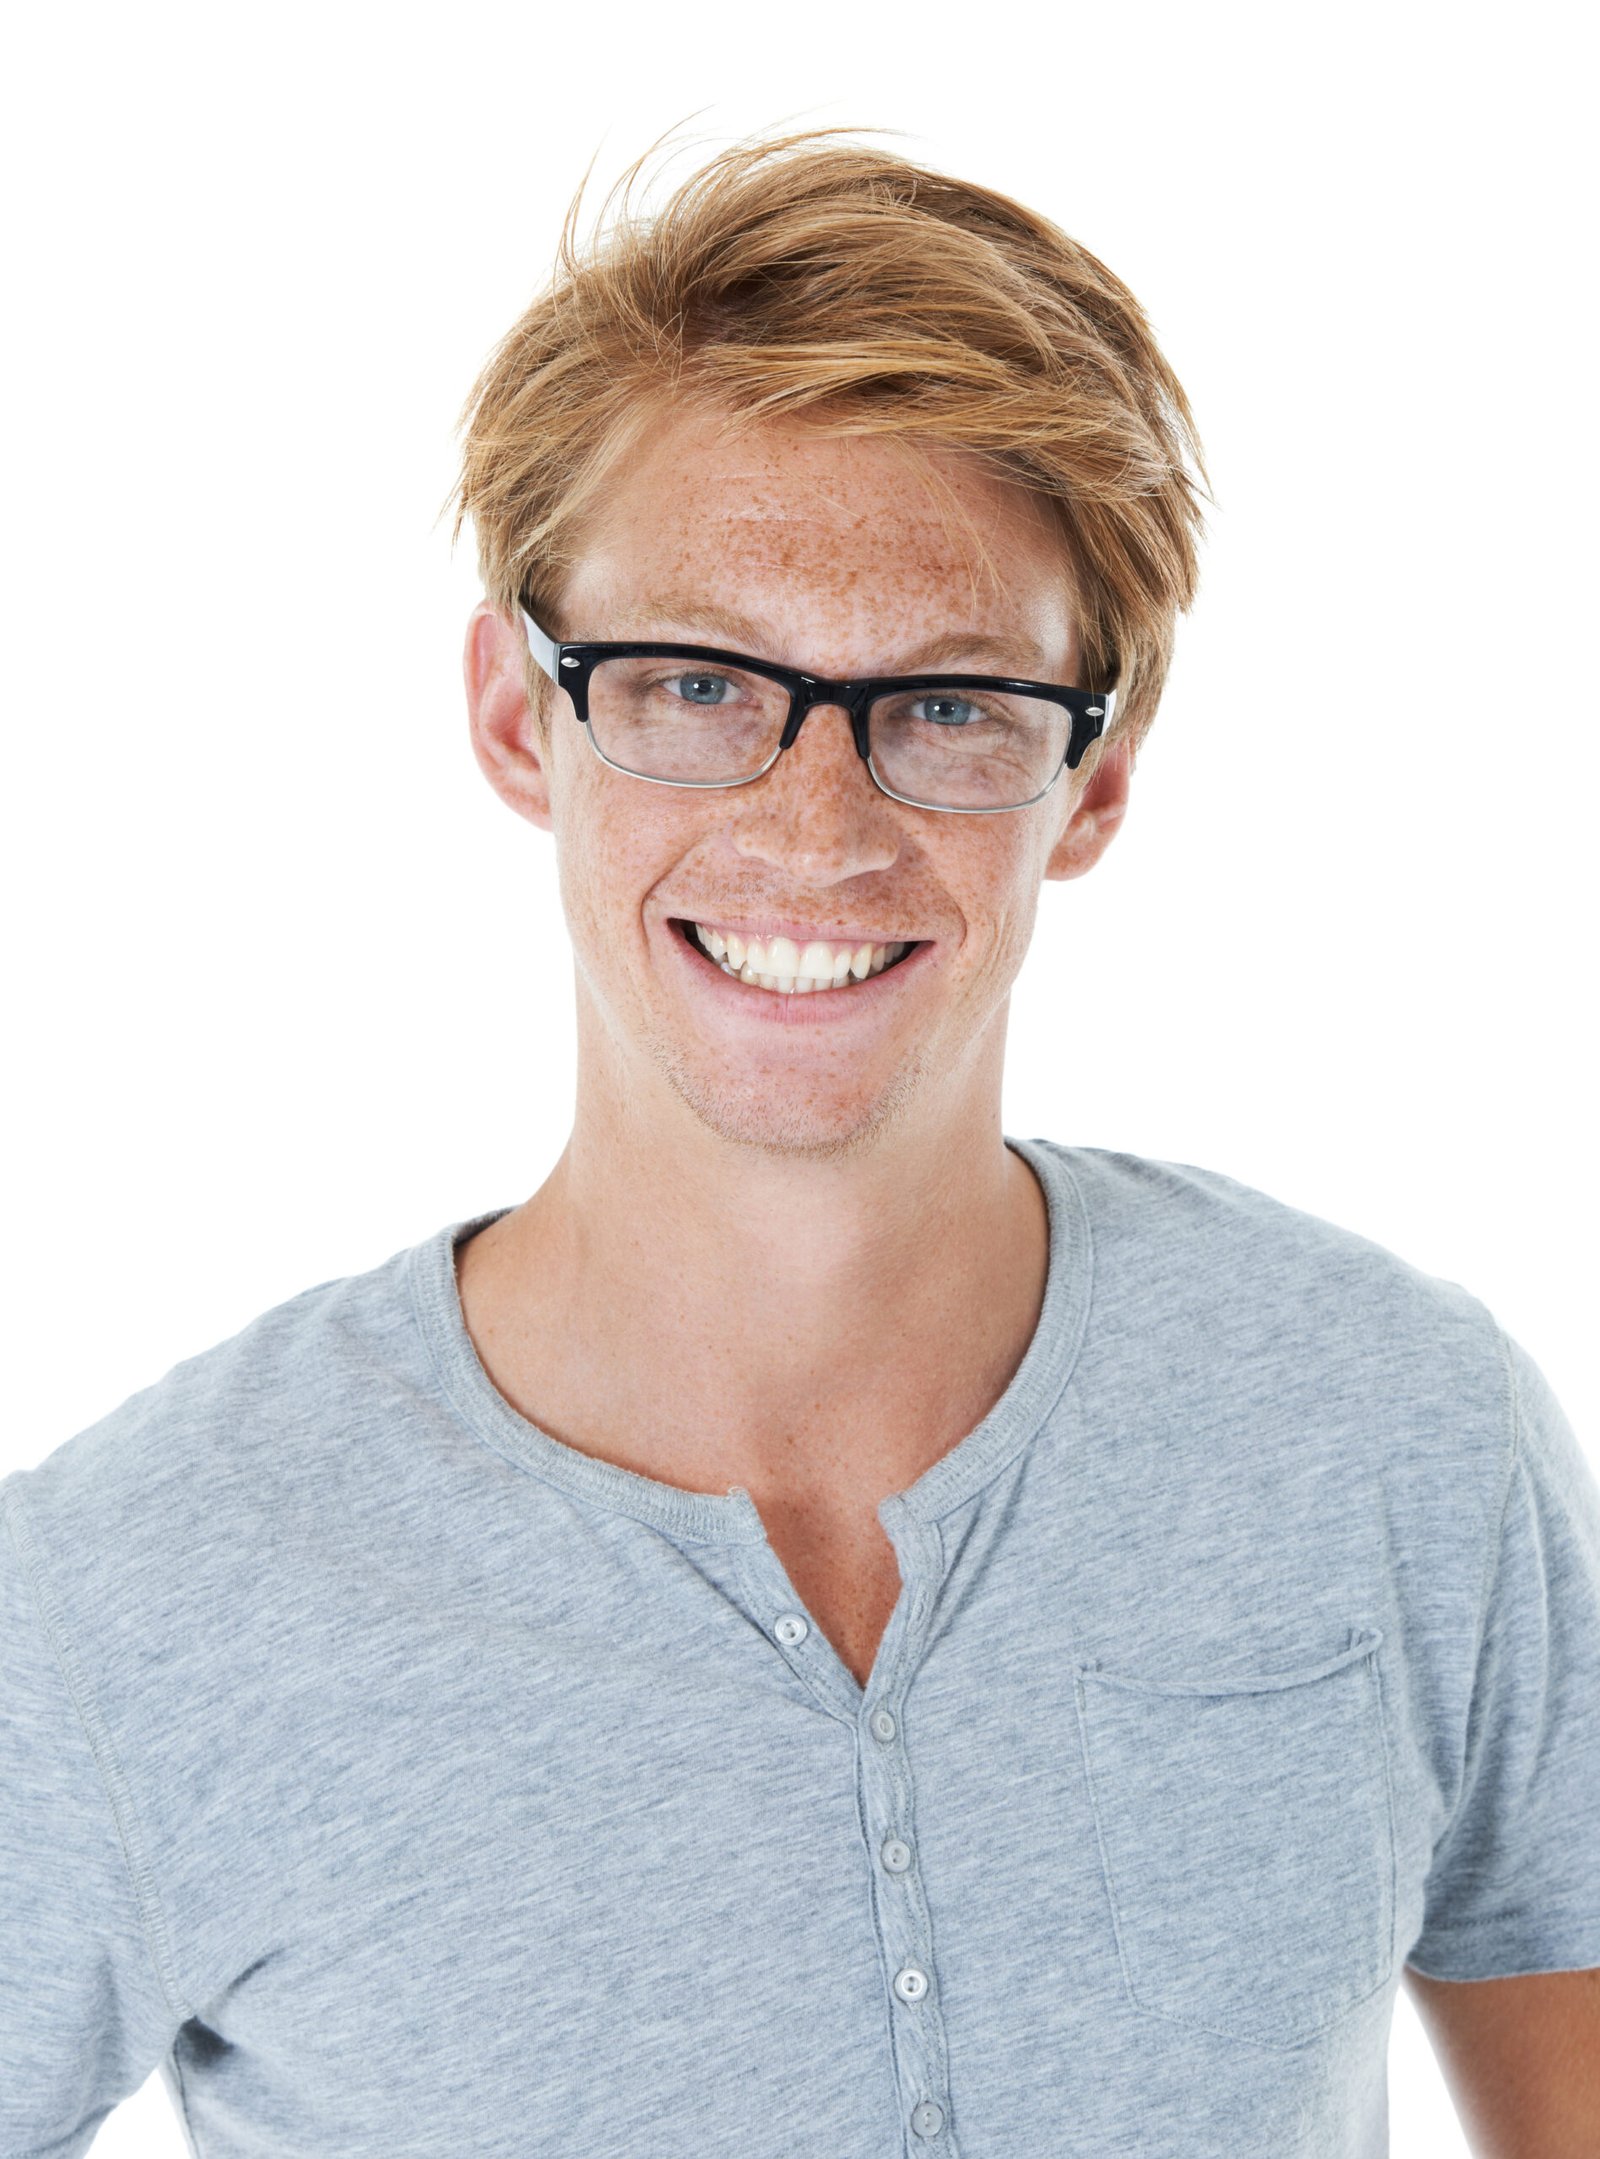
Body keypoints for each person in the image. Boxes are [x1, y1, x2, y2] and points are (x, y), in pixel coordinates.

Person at [3, 127, 1597, 2159]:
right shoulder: (128, 1594)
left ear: (1088, 783)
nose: (816, 830)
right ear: (517, 718)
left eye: (943, 706)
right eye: (689, 683)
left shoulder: (1396, 1434)